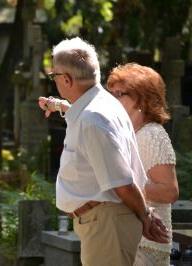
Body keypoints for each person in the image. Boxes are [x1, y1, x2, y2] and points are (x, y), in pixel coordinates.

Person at [37, 37, 169, 266]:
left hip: (106, 223)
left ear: (66, 79)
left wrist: (145, 214)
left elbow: (123, 183)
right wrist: (57, 105)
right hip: (103, 221)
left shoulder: (92, 119)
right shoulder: (101, 104)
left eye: (54, 75)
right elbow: (83, 116)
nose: (54, 80)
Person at [107, 63, 178, 266]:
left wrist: (123, 187)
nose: (112, 100)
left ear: (142, 97)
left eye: (120, 94)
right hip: (130, 238)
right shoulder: (130, 133)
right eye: (111, 93)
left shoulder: (151, 134)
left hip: (147, 245)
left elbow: (169, 191)